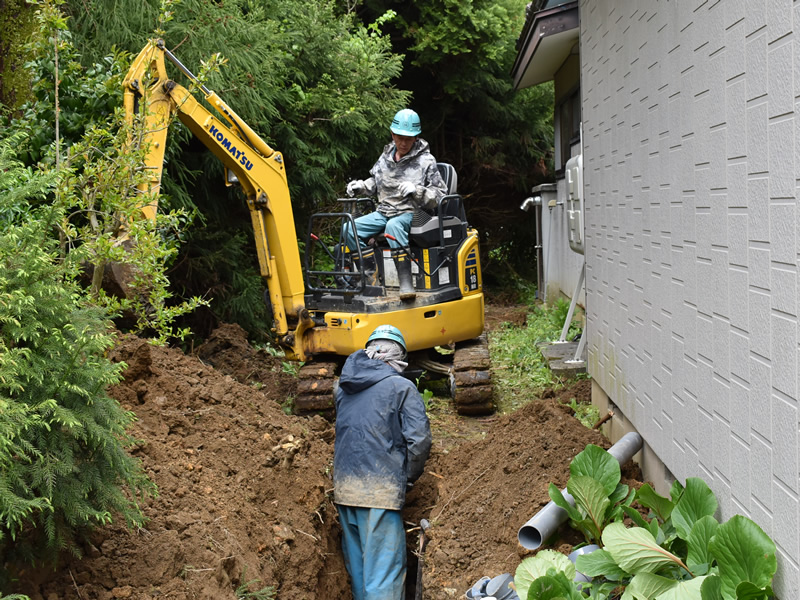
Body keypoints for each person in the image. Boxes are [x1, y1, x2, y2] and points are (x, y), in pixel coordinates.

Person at [333, 325, 432, 600]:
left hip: (344, 489)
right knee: (383, 577)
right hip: (379, 493)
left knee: (361, 574)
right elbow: (420, 440)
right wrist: (407, 479)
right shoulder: (402, 387)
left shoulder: (343, 388)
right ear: (397, 359)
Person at [345, 108, 448, 300]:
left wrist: (417, 191)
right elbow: (374, 182)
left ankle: (405, 281)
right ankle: (370, 277)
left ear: (416, 137)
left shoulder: (426, 161)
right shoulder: (385, 158)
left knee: (393, 226)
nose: (403, 143)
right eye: (399, 137)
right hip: (384, 211)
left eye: (408, 139)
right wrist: (361, 186)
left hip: (411, 213)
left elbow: (440, 195)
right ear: (392, 134)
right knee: (348, 229)